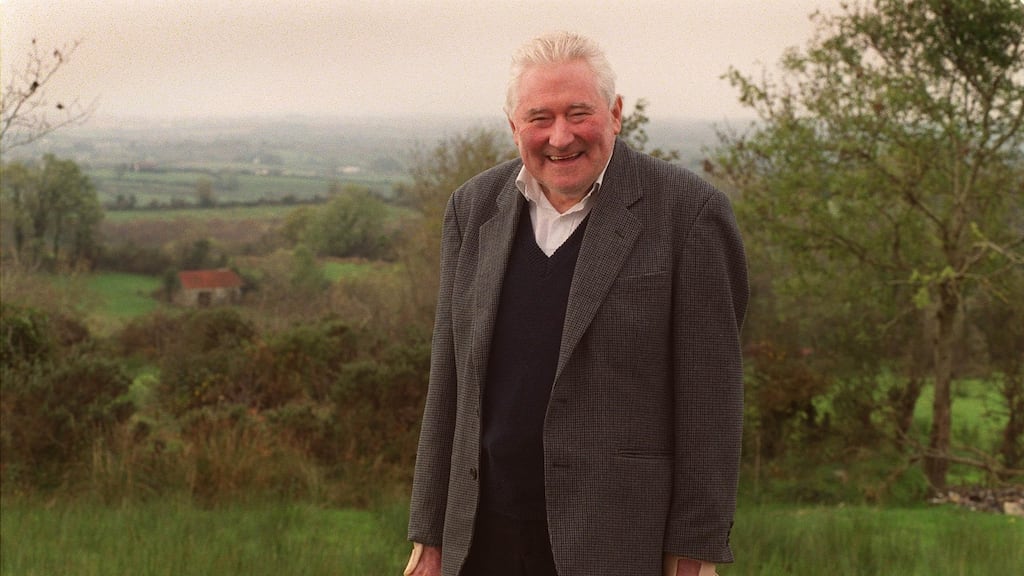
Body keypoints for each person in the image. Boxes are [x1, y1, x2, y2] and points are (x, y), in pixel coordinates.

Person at [405, 31, 748, 576]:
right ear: (513, 125)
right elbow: (448, 386)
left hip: (616, 544)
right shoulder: (472, 210)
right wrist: (429, 537)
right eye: (539, 117)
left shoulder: (690, 215)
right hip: (483, 539)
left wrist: (695, 553)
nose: (560, 137)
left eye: (579, 113)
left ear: (615, 114)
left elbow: (711, 405)